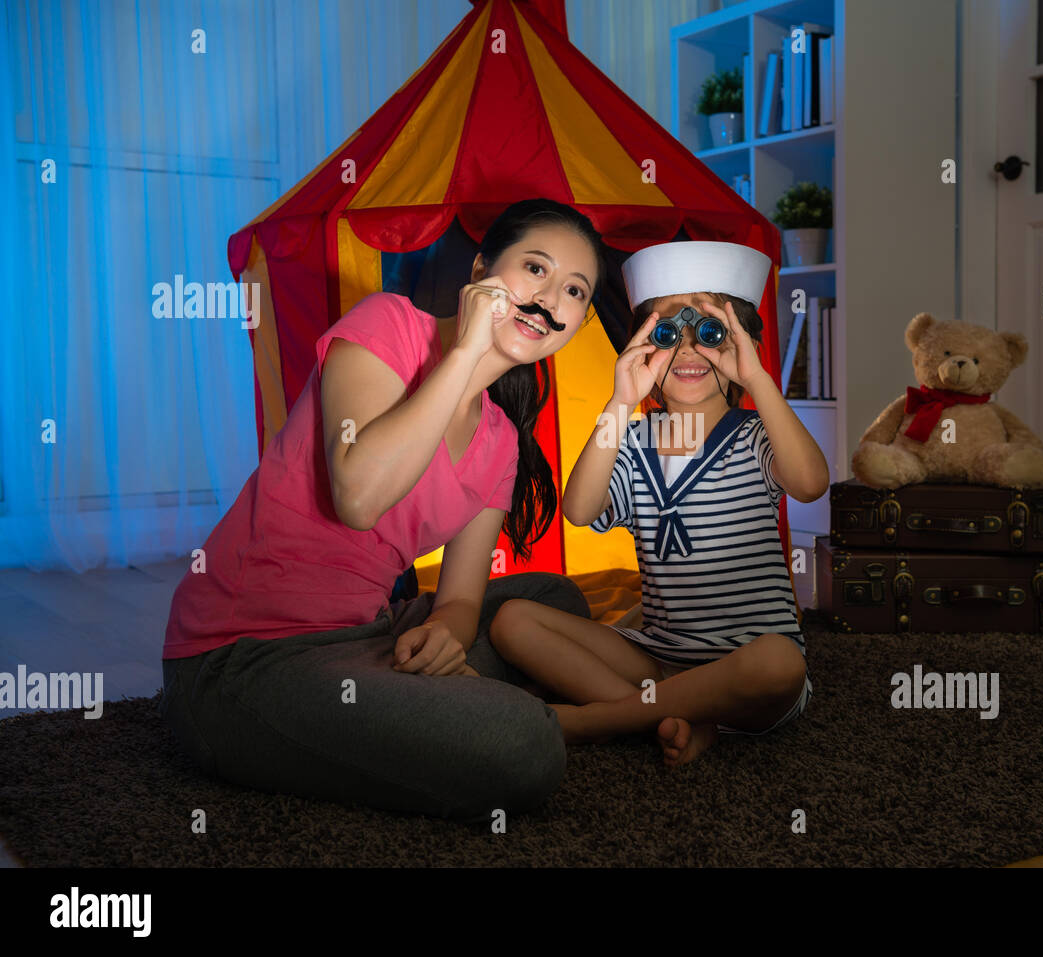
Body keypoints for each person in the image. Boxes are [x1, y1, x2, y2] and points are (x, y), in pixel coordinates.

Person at [159, 198, 604, 820]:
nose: (550, 296)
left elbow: (461, 601)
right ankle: (515, 713)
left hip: (366, 634)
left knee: (554, 601)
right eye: (535, 268)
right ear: (480, 271)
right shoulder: (388, 326)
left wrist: (444, 637)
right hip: (244, 659)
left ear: (577, 324)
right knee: (523, 747)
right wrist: (466, 355)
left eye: (574, 290)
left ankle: (426, 701)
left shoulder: (501, 443)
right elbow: (359, 496)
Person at [489, 241, 830, 766]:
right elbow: (581, 509)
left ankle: (592, 720)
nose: (690, 350)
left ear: (741, 346)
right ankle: (682, 717)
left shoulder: (756, 436)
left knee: (781, 662)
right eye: (668, 333)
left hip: (749, 668)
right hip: (660, 660)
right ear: (643, 347)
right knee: (512, 620)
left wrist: (758, 379)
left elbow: (809, 483)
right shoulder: (631, 439)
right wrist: (621, 402)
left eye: (712, 333)